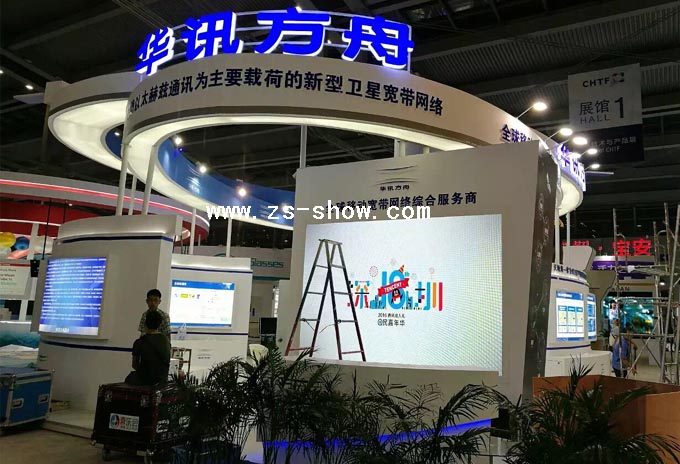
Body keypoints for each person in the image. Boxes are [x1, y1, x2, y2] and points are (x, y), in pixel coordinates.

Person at [126, 311, 171, 386]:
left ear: (145, 323)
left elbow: (134, 365)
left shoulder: (139, 342)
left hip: (145, 380)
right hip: (162, 380)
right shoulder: (166, 341)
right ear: (160, 324)